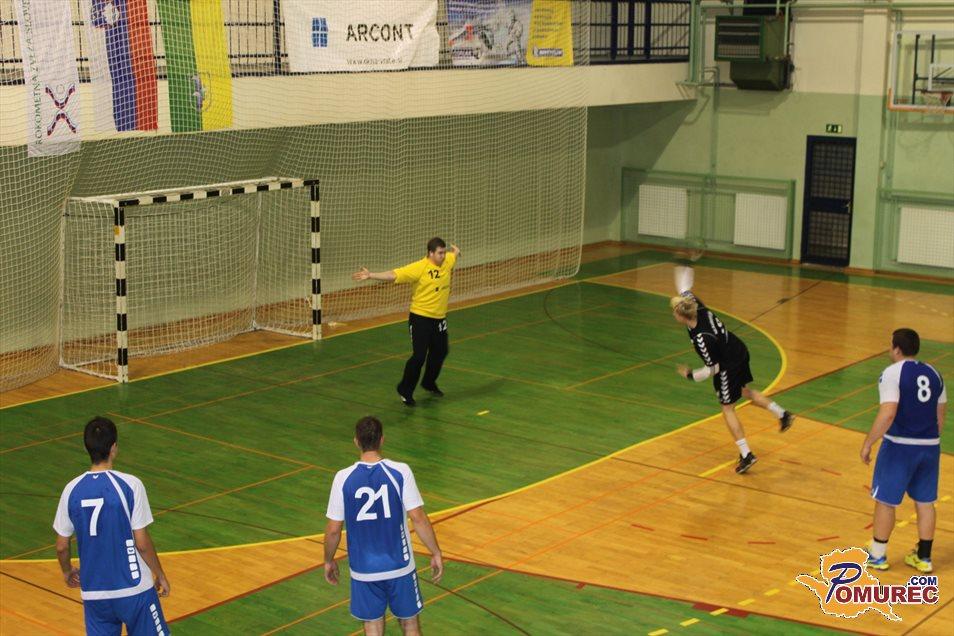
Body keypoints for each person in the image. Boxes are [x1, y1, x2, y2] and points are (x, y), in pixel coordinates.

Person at [324, 416, 444, 636]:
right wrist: (435, 552)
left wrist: (328, 560)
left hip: (363, 569)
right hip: (400, 565)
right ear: (382, 440)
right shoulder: (400, 472)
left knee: (372, 625)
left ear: (356, 441)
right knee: (410, 624)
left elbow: (333, 530)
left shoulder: (342, 478)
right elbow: (418, 518)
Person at [671, 264, 794, 474]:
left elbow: (713, 368)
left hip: (727, 364)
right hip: (738, 349)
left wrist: (691, 375)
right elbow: (684, 289)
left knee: (727, 408)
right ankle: (783, 414)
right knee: (744, 391)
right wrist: (684, 266)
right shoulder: (697, 307)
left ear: (682, 316)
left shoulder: (702, 338)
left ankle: (747, 454)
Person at [54, 417, 171, 635]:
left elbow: (61, 546)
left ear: (87, 448)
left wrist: (67, 571)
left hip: (95, 595)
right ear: (114, 448)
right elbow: (142, 543)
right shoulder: (131, 485)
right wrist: (160, 574)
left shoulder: (71, 490)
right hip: (134, 589)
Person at [862, 328, 946, 574]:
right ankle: (924, 558)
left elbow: (888, 413)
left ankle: (878, 555)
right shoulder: (934, 373)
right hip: (930, 446)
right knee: (925, 502)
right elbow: (940, 416)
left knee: (886, 500)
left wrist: (868, 442)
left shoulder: (892, 373)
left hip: (899, 447)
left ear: (896, 349)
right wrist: (927, 440)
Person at [352, 238, 460, 406]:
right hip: (420, 318)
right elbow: (393, 274)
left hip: (439, 319)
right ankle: (405, 390)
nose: (443, 255)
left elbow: (454, 255)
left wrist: (455, 252)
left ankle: (428, 382)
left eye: (444, 252)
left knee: (441, 351)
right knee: (419, 356)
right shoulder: (419, 268)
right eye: (440, 253)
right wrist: (371, 275)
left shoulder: (447, 261)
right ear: (430, 253)